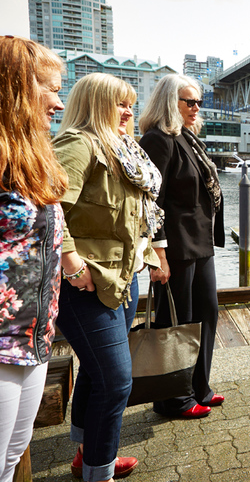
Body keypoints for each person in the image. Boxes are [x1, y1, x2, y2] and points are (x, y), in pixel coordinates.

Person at [53, 73, 163, 482]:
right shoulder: (78, 145)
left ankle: (90, 452)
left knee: (98, 372)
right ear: (94, 104)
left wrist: (149, 256)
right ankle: (100, 473)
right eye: (119, 103)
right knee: (116, 380)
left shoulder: (124, 150)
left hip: (123, 278)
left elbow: (134, 218)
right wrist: (72, 265)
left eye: (130, 103)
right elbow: (49, 209)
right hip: (87, 284)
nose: (129, 111)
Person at [0, 36, 67, 482]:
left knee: (10, 460)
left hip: (35, 336)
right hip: (2, 343)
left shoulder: (33, 158)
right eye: (49, 88)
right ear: (16, 88)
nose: (58, 103)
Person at [139, 74, 225, 419]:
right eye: (188, 101)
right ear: (168, 102)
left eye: (198, 102)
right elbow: (150, 201)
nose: (195, 108)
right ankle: (173, 399)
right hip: (174, 247)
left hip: (200, 243)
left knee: (207, 314)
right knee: (176, 321)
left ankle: (198, 386)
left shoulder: (186, 138)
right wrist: (157, 253)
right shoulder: (157, 140)